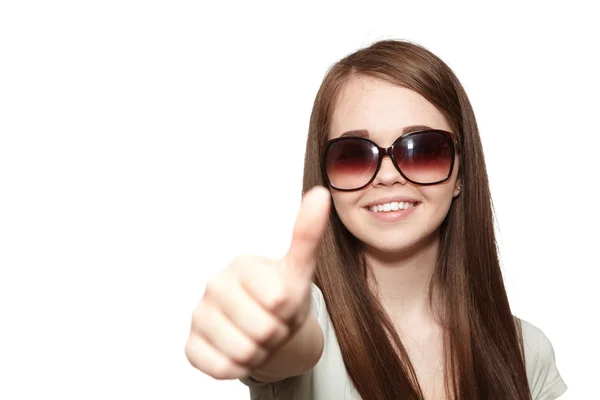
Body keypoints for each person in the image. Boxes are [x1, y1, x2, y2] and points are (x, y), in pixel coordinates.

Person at [185, 39, 568, 400]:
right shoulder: (308, 317)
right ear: (327, 180)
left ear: (461, 174)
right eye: (353, 155)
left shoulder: (527, 352)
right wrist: (261, 327)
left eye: (423, 150)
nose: (388, 175)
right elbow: (291, 345)